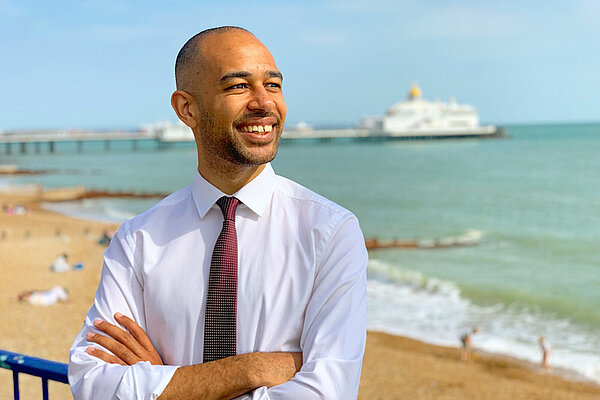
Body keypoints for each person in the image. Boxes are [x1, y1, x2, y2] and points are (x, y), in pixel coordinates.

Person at [69, 26, 368, 400]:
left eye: (273, 85)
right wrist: (252, 368)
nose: (264, 103)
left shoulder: (330, 232)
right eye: (238, 86)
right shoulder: (137, 240)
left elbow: (328, 394)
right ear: (187, 109)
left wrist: (169, 383)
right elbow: (91, 383)